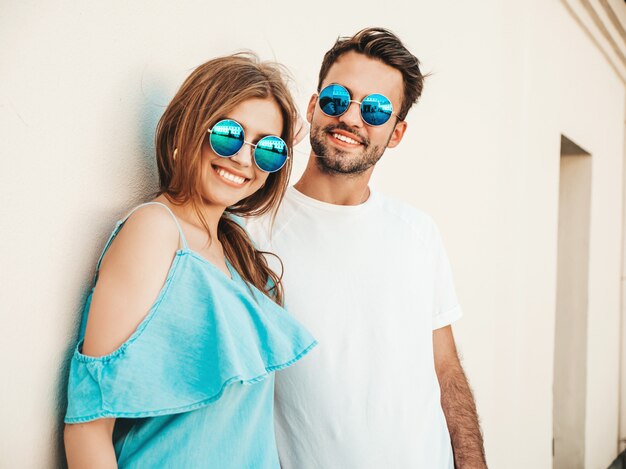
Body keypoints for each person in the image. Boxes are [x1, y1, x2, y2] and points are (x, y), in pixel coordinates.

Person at [246, 28, 487, 468]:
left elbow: (446, 369)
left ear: (396, 133)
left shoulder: (418, 232)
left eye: (376, 109)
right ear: (314, 106)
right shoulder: (251, 233)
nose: (352, 118)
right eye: (339, 98)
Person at [63, 53, 317, 468]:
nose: (242, 159)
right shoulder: (156, 231)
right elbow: (88, 425)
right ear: (189, 127)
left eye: (267, 148)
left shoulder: (241, 257)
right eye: (229, 134)